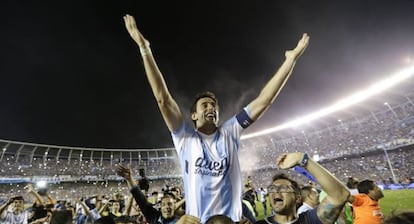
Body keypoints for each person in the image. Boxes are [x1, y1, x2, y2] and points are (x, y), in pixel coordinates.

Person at [123, 14, 309, 223]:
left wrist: (290, 60)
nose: (211, 108)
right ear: (193, 115)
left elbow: (264, 101)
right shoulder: (184, 137)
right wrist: (144, 47)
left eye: (214, 105)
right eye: (205, 105)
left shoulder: (230, 131)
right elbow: (163, 100)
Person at [256, 152, 350, 224]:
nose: (276, 191)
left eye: (283, 188)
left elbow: (341, 195)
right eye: (272, 188)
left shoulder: (309, 220)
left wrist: (302, 159)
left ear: (297, 198)